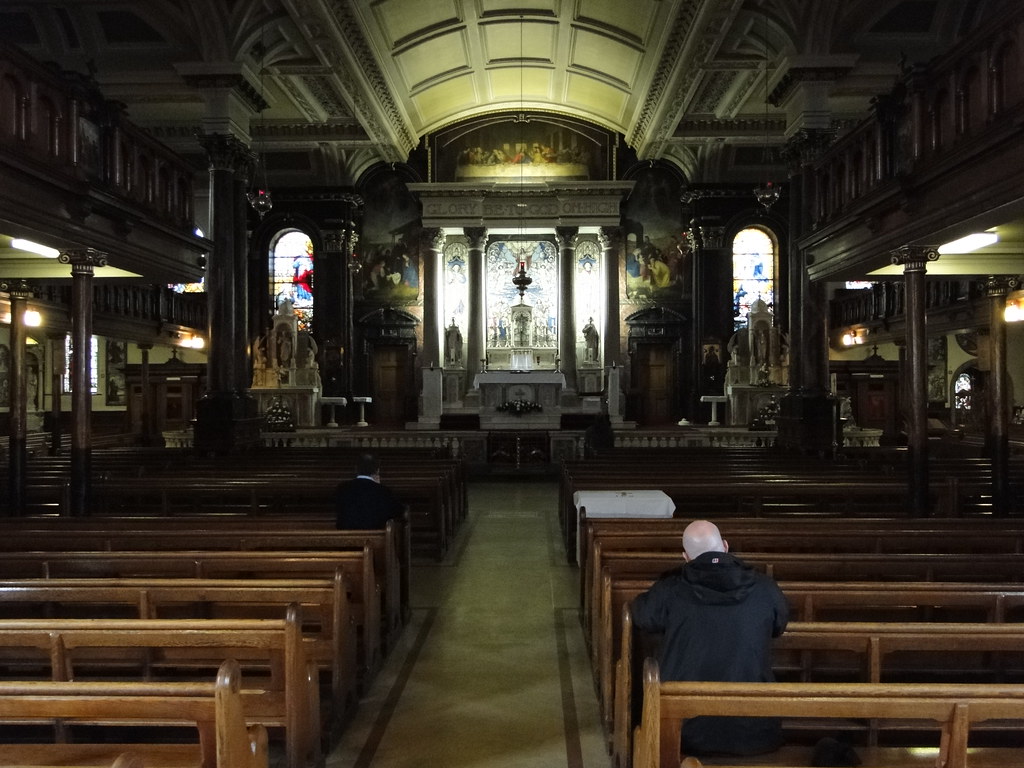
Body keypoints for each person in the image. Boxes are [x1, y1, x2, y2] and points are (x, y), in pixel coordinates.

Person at [631, 520, 788, 758]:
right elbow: (779, 625)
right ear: (725, 546)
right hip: (754, 729)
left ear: (686, 557)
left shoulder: (670, 590)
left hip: (684, 730)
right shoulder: (765, 588)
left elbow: (642, 615)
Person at [335, 453, 404, 530]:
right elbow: (397, 511)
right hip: (377, 534)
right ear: (377, 470)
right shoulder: (383, 491)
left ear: (356, 469)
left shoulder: (342, 488)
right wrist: (378, 486)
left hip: (347, 535)